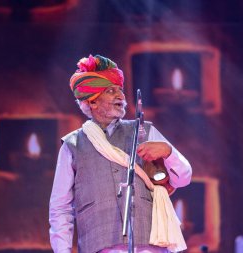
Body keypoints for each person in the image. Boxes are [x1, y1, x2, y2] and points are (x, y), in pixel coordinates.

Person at [49, 54, 192, 253]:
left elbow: (184, 177)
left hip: (149, 245)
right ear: (92, 102)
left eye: (120, 90)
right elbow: (60, 209)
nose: (121, 96)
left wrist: (168, 152)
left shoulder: (144, 131)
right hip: (100, 247)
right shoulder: (72, 145)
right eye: (111, 91)